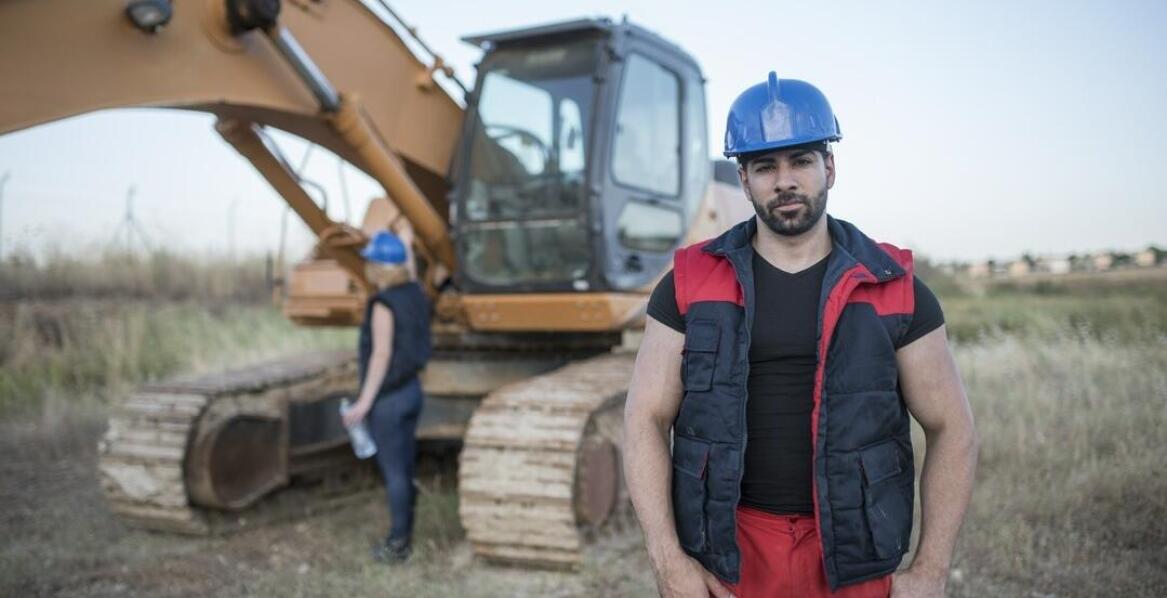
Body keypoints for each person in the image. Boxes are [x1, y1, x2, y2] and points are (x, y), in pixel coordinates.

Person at [623, 72, 979, 598]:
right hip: (729, 556)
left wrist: (930, 570)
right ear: (743, 180)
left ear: (829, 167)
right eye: (765, 166)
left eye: (802, 161)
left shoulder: (895, 286)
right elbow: (643, 420)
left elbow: (953, 428)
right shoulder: (689, 284)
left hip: (855, 558)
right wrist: (668, 561)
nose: (784, 181)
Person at [341, 228, 432, 564]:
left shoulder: (383, 305)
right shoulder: (415, 293)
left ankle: (398, 545)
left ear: (378, 268)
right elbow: (409, 271)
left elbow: (380, 355)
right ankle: (405, 534)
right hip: (412, 392)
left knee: (394, 473)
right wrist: (406, 244)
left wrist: (363, 403)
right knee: (405, 468)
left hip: (389, 400)